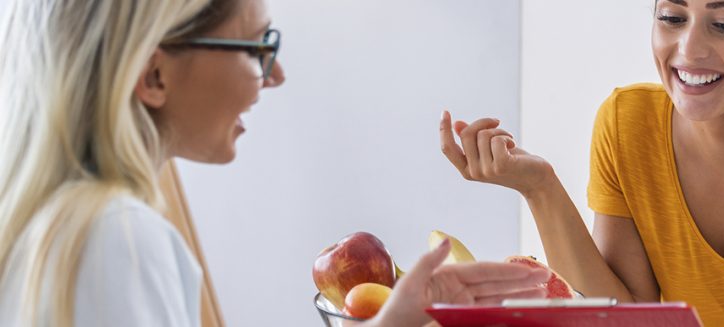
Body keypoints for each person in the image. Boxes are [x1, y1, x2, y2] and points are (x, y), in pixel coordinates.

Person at [0, 0, 548, 326]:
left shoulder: (57, 227)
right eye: (257, 47)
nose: (276, 74)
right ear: (155, 76)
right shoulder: (120, 239)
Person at [440, 0, 724, 325]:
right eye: (671, 17)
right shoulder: (627, 123)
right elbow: (622, 316)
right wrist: (538, 187)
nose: (688, 50)